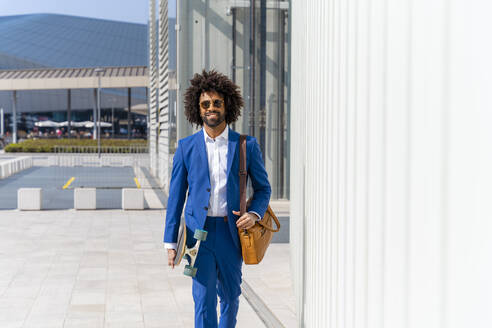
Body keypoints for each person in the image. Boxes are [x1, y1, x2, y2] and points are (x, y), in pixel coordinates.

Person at [164, 70, 271, 328]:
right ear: (197, 109)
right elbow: (175, 197)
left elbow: (264, 189)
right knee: (202, 299)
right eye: (205, 104)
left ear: (227, 106)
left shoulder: (247, 145)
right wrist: (169, 240)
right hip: (195, 234)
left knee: (231, 296)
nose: (211, 108)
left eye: (216, 103)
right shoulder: (186, 147)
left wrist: (254, 213)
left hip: (231, 233)